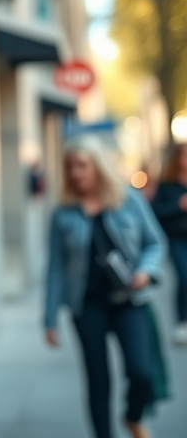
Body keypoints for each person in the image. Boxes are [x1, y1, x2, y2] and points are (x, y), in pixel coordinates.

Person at [45, 136, 166, 438]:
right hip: (87, 306)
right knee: (98, 380)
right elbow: (56, 268)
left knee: (142, 372)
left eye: (82, 165)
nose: (75, 173)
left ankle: (133, 415)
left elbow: (155, 243)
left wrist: (145, 272)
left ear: (98, 166)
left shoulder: (129, 200)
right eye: (70, 166)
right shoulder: (63, 213)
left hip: (129, 300)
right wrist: (49, 320)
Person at [150, 143, 187, 346]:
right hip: (176, 238)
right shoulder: (166, 186)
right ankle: (182, 321)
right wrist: (179, 206)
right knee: (184, 276)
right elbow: (156, 213)